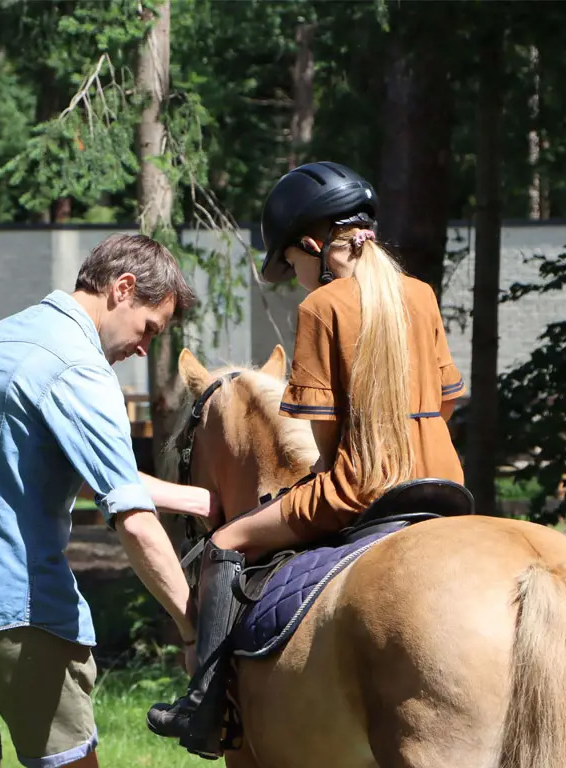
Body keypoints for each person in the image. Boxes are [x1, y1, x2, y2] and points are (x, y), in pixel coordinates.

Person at [147, 161, 467, 756]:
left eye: (290, 263)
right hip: (442, 480)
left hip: (358, 488)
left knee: (224, 544)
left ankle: (205, 709)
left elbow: (320, 439)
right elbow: (449, 401)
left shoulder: (323, 307)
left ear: (314, 246)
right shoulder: (419, 294)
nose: (294, 278)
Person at [0, 234, 219, 768]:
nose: (143, 347)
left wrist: (200, 500)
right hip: (13, 611)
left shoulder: (4, 336)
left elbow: (89, 472)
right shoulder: (80, 368)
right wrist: (193, 633)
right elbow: (134, 520)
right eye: (148, 328)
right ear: (122, 288)